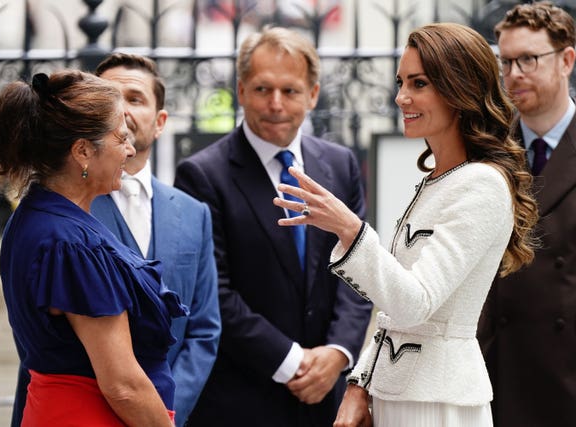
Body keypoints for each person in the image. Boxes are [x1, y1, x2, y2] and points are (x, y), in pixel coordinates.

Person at [274, 23, 539, 427]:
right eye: (401, 82)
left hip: (439, 404)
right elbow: (393, 315)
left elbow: (415, 304)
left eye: (418, 83)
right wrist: (360, 383)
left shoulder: (482, 184)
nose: (401, 97)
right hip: (403, 396)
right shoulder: (439, 178)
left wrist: (350, 228)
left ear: (459, 88)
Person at [173, 26, 373, 427]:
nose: (276, 104)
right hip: (242, 398)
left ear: (313, 94)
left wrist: (337, 353)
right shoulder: (202, 175)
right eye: (263, 89)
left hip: (327, 398)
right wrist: (293, 362)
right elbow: (215, 292)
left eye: (291, 90)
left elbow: (359, 269)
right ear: (242, 90)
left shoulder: (340, 165)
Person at [0, 70, 186, 426]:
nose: (129, 149)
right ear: (82, 151)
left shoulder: (38, 217)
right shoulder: (70, 245)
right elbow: (122, 384)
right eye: (121, 138)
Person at [91, 53, 221, 427]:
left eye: (134, 99)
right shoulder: (65, 208)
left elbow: (204, 329)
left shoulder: (193, 213)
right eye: (109, 99)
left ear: (160, 121)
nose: (121, 110)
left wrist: (161, 413)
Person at [477, 2, 576, 426]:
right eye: (507, 62)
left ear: (567, 60)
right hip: (500, 376)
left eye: (529, 59)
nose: (514, 74)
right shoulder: (488, 155)